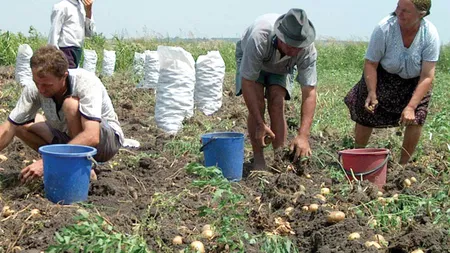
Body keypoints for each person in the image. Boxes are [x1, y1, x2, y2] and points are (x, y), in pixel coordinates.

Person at [0, 45, 124, 183]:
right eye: (37, 83)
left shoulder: (85, 82)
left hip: (105, 142)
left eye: (47, 85)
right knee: (19, 125)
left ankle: (83, 168)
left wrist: (47, 162)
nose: (41, 89)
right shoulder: (34, 89)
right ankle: (66, 163)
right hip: (68, 137)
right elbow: (8, 127)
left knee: (70, 105)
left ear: (63, 76)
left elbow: (92, 135)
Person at [344, 0, 440, 165]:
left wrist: (410, 107)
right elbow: (371, 63)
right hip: (383, 75)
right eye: (398, 7)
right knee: (368, 111)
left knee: (417, 117)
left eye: (405, 11)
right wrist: (372, 93)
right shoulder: (385, 28)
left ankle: (403, 166)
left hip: (415, 82)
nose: (398, 13)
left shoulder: (429, 34)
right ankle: (357, 155)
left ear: (421, 14)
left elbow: (427, 76)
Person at [235, 8, 318, 170]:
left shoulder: (306, 49)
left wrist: (303, 135)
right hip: (254, 61)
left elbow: (309, 91)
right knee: (258, 104)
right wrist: (260, 122)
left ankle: (279, 159)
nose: (295, 51)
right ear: (280, 37)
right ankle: (258, 158)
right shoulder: (259, 38)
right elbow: (248, 83)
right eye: (291, 46)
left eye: (298, 47)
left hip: (282, 67)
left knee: (276, 102)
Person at [48, 0, 95, 68]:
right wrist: (54, 55)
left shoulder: (82, 7)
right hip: (65, 50)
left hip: (77, 50)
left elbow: (89, 33)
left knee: (72, 75)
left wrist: (88, 12)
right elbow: (54, 33)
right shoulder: (62, 6)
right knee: (67, 75)